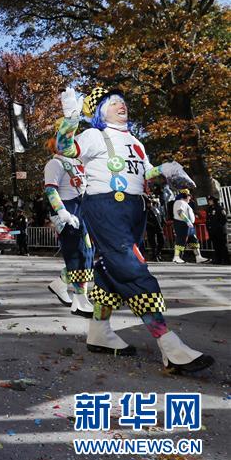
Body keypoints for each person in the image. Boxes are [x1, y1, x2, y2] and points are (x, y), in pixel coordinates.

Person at [56, 85, 213, 375]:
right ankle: (168, 343)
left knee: (108, 269)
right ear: (100, 111)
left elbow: (146, 174)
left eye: (122, 101)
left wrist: (166, 170)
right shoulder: (94, 135)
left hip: (135, 210)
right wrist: (69, 118)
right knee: (131, 268)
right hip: (105, 206)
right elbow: (66, 149)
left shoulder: (136, 142)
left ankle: (99, 331)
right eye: (113, 102)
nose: (121, 105)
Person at [43, 128, 94, 317]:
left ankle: (60, 284)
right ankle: (81, 300)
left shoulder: (78, 162)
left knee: (88, 252)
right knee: (77, 253)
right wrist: (62, 211)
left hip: (83, 208)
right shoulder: (54, 163)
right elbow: (50, 190)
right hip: (68, 211)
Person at [171, 190, 208, 264]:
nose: (190, 198)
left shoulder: (184, 203)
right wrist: (187, 221)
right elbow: (180, 212)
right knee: (181, 241)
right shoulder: (179, 202)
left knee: (194, 240)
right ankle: (177, 257)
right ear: (185, 196)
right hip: (182, 224)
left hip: (188, 225)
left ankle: (198, 257)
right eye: (189, 196)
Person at [205, 196, 229, 265]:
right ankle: (218, 260)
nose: (209, 201)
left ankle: (226, 260)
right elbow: (208, 220)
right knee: (216, 246)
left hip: (220, 231)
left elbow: (224, 220)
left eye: (210, 200)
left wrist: (218, 227)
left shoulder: (220, 208)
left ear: (214, 201)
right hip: (212, 231)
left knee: (223, 246)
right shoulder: (209, 209)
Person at [144, 195, 166, 261]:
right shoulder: (145, 211)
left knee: (162, 241)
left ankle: (157, 254)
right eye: (149, 202)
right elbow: (145, 220)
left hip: (159, 228)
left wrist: (163, 223)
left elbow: (161, 217)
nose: (150, 203)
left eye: (151, 202)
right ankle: (155, 256)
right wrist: (152, 225)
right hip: (151, 228)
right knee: (153, 244)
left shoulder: (156, 208)